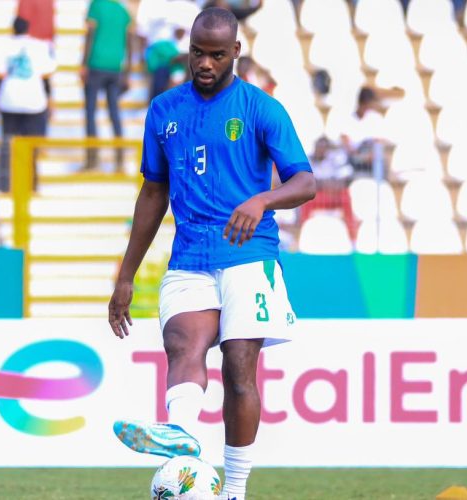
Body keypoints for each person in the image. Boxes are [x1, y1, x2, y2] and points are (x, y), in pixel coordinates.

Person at [107, 8, 316, 500]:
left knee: (239, 369)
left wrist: (262, 200)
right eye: (198, 52)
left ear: (235, 52)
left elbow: (306, 182)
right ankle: (180, 433)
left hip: (249, 253)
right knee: (181, 344)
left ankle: (234, 490)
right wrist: (125, 276)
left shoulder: (261, 109)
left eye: (217, 55)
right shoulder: (164, 110)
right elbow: (153, 193)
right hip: (189, 255)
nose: (205, 63)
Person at [0, 16, 57, 192]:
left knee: (7, 143)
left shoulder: (4, 46)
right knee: (32, 145)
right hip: (34, 101)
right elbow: (46, 77)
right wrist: (50, 99)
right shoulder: (39, 46)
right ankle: (32, 183)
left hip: (9, 100)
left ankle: (4, 183)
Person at [81, 0, 132, 171]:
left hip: (96, 63)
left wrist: (83, 63)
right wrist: (128, 72)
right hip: (116, 67)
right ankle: (120, 160)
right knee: (114, 113)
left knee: (90, 112)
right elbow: (130, 42)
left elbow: (90, 35)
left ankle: (92, 160)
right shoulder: (123, 11)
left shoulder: (96, 5)